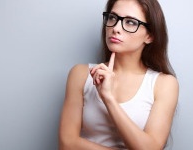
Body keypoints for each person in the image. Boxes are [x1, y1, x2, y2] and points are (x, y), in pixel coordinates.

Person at [58, 0, 179, 149]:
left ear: (150, 36)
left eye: (130, 22)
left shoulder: (164, 84)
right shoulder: (81, 74)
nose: (115, 28)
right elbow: (67, 144)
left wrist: (108, 98)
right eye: (112, 18)